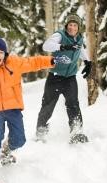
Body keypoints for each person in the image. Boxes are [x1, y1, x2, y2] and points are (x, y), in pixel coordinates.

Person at [0, 34, 67, 183]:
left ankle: (7, 150)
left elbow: (33, 62)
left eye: (0, 53)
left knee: (20, 139)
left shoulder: (14, 63)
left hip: (13, 107)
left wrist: (51, 61)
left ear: (5, 53)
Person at [35, 14, 92, 144]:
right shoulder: (60, 35)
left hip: (70, 78)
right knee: (48, 106)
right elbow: (46, 46)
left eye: (75, 25)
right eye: (70, 25)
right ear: (67, 26)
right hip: (55, 77)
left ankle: (76, 131)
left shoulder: (79, 39)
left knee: (73, 104)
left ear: (78, 27)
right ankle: (41, 132)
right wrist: (62, 46)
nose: (72, 27)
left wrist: (88, 62)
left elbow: (81, 49)